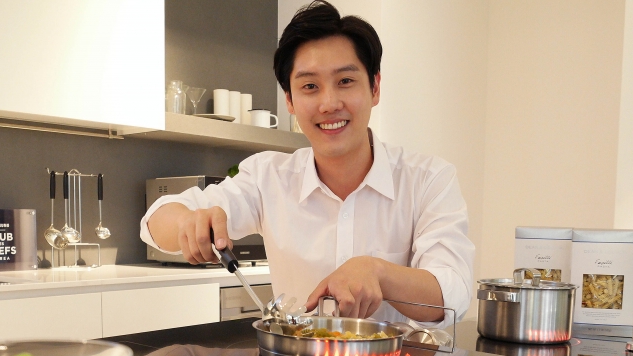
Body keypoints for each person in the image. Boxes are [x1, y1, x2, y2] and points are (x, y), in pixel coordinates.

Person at [140, 1, 474, 323]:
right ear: (289, 100)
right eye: (310, 86)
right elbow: (154, 222)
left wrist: (378, 272)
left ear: (374, 87)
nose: (329, 103)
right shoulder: (267, 177)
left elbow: (454, 294)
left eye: (345, 81)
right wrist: (188, 222)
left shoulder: (428, 179)